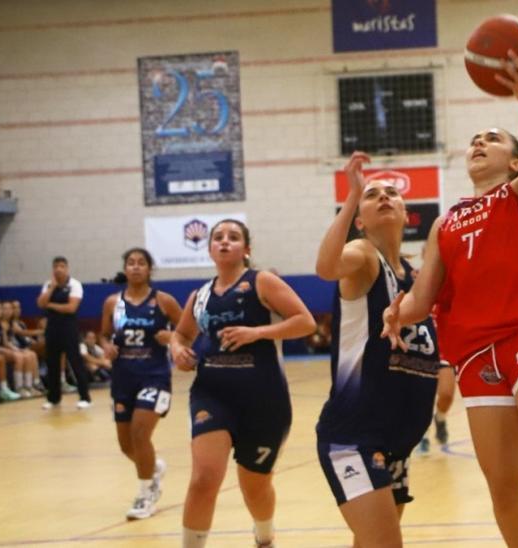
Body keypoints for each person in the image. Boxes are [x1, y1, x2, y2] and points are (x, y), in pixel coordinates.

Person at [381, 48, 518, 547]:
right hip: (477, 353)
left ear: (513, 161)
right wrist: (396, 312)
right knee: (503, 487)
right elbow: (422, 298)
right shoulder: (444, 223)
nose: (479, 143)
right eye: (474, 139)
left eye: (492, 139)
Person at [314, 152, 443, 546]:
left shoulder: (418, 278)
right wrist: (352, 192)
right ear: (360, 220)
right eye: (373, 196)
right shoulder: (363, 257)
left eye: (391, 193)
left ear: (407, 214)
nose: (384, 197)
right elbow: (327, 265)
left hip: (397, 439)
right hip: (354, 433)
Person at [169, 219, 316, 548]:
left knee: (255, 486)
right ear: (209, 249)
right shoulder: (200, 295)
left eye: (233, 237)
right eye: (218, 238)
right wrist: (178, 350)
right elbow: (180, 334)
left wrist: (258, 332)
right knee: (204, 478)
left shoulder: (262, 282)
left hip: (263, 398)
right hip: (212, 393)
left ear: (246, 249)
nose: (224, 242)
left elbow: (305, 322)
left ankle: (265, 537)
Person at [99, 248, 183, 520]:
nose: (135, 267)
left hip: (154, 376)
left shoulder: (163, 301)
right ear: (125, 269)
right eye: (131, 263)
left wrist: (171, 336)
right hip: (123, 378)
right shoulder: (113, 302)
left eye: (141, 263)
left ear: (149, 269)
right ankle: (153, 467)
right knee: (126, 445)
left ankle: (146, 494)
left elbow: (188, 333)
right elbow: (103, 335)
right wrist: (106, 347)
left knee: (139, 433)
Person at [37, 256, 91, 409]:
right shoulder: (48, 284)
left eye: (61, 266)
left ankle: (85, 397)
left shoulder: (75, 284)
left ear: (67, 268)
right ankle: (53, 398)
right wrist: (52, 289)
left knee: (76, 362)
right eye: (56, 266)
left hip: (69, 328)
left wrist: (51, 305)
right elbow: (41, 303)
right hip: (52, 328)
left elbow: (71, 308)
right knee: (52, 363)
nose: (58, 269)